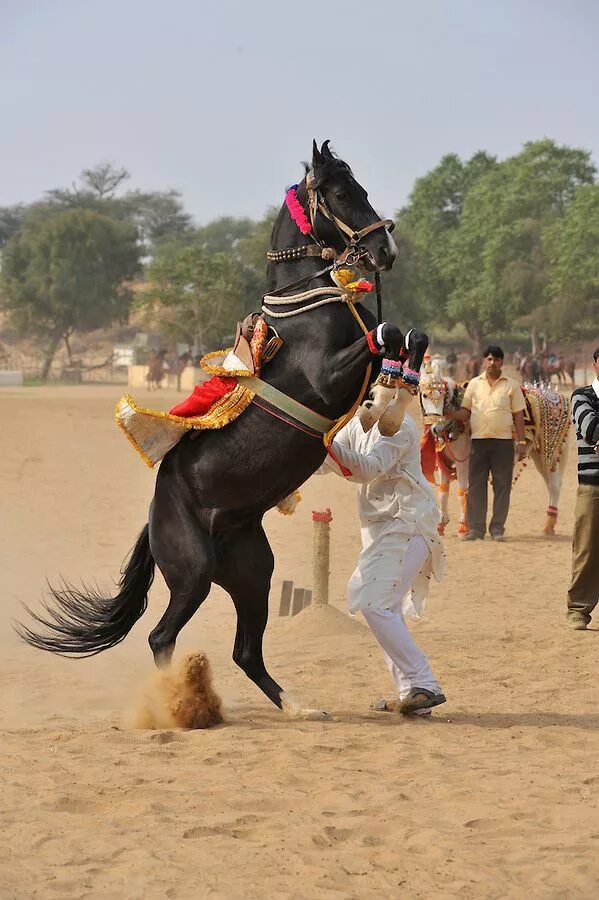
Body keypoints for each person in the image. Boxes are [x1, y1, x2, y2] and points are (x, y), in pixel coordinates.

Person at [320, 393, 446, 716]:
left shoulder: (401, 426)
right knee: (384, 605)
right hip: (382, 530)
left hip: (410, 523)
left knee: (374, 603)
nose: (380, 391)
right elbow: (329, 459)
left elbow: (368, 468)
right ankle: (412, 695)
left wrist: (321, 444)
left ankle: (425, 683)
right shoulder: (357, 423)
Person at [448, 344, 527, 541]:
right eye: (489, 359)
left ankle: (497, 529)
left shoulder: (511, 385)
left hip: (503, 443)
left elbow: (518, 415)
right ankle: (476, 529)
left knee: (502, 486)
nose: (492, 363)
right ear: (484, 361)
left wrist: (522, 440)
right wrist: (448, 413)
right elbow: (465, 413)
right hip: (479, 443)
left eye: (497, 359)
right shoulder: (474, 384)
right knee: (476, 485)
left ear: (502, 362)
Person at [566, 347, 599, 630]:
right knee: (586, 549)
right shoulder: (582, 395)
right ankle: (578, 609)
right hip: (593, 486)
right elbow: (590, 428)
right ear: (595, 365)